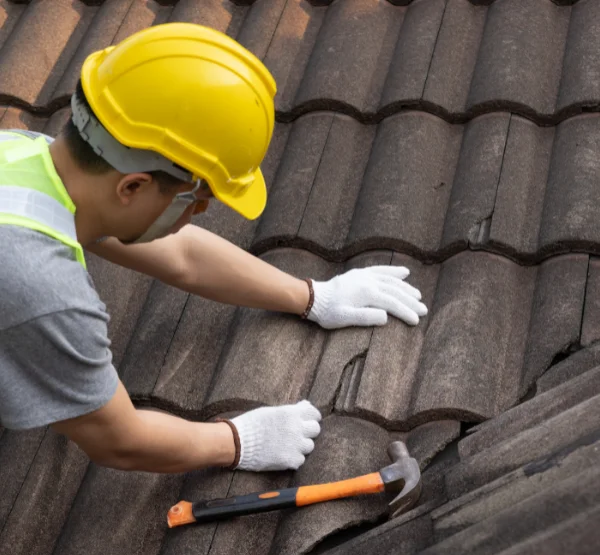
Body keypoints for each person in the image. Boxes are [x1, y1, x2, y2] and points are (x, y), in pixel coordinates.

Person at [0, 23, 427, 474]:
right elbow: (118, 439)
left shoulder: (24, 156)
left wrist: (313, 296)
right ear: (134, 185)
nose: (197, 214)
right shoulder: (42, 285)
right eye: (196, 200)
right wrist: (237, 440)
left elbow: (183, 256)